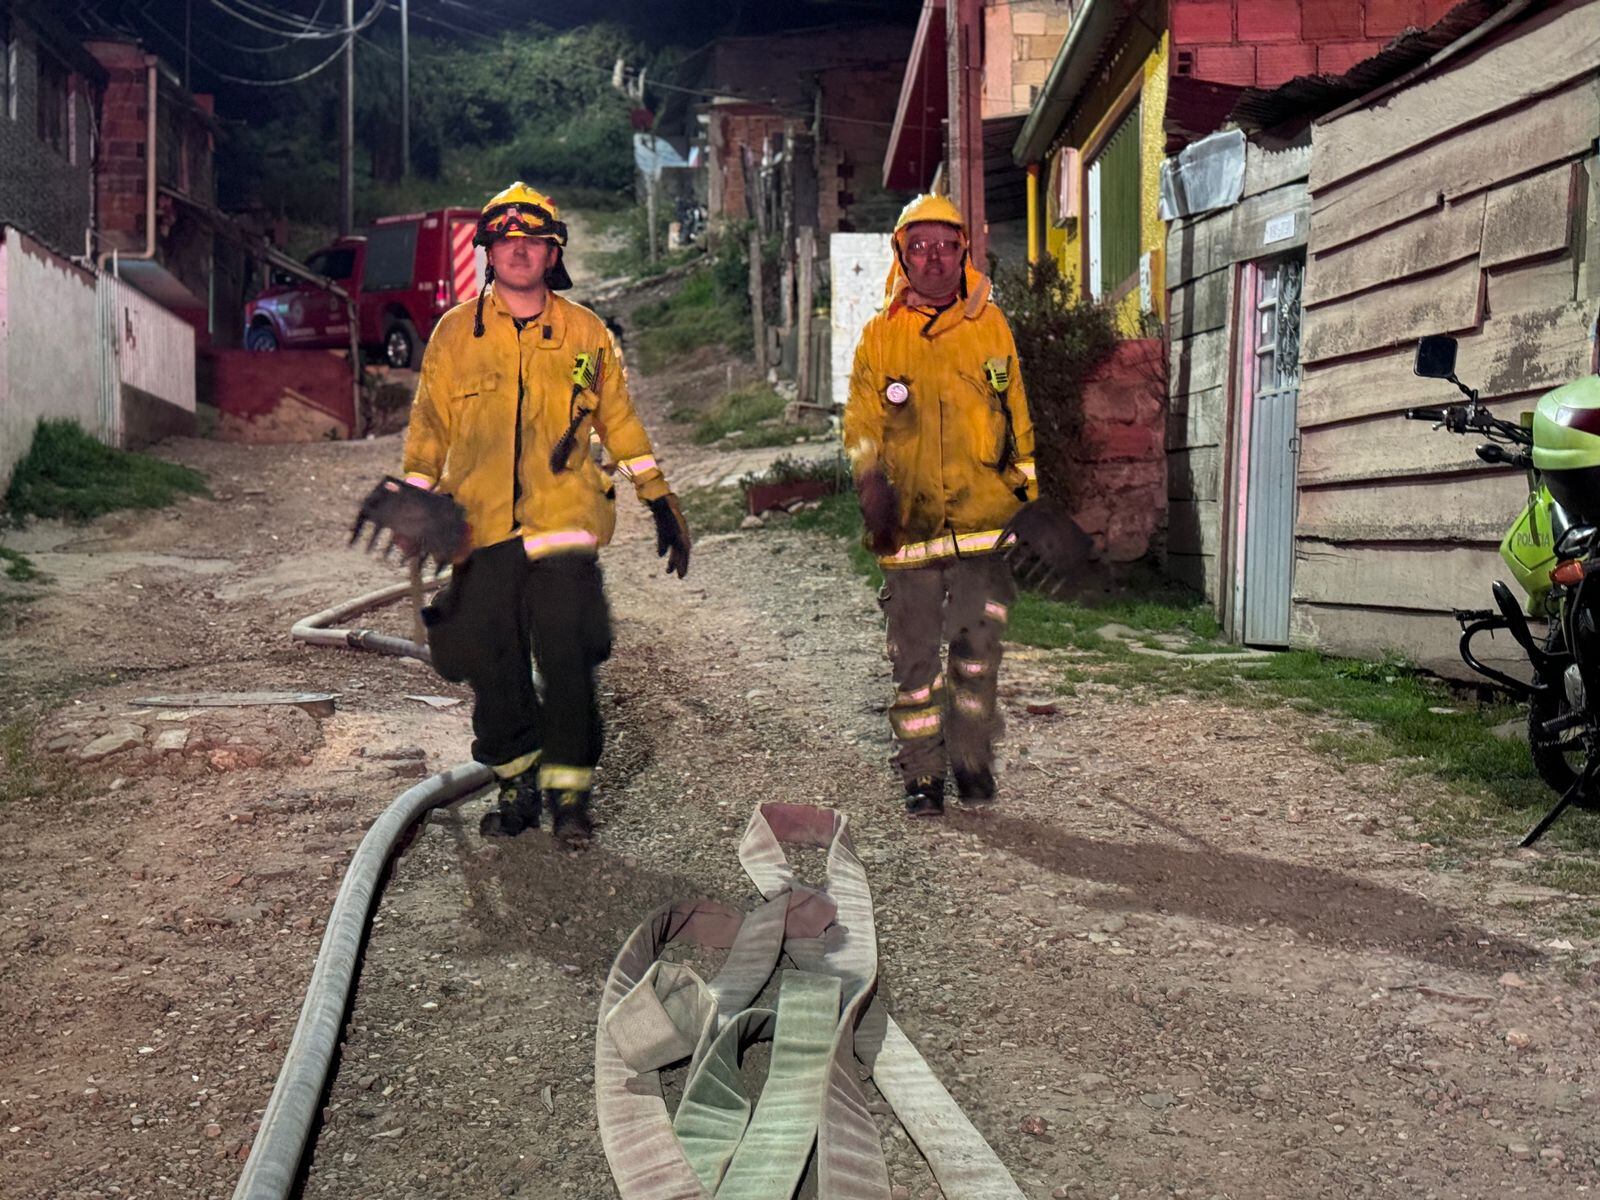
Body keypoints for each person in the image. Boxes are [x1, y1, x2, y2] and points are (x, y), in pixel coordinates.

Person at [399, 182, 692, 845]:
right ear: (488, 252)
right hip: (481, 528)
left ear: (553, 253)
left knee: (567, 660)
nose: (520, 252)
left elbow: (620, 423)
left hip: (563, 523)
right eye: (507, 242)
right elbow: (428, 431)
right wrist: (415, 502)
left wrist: (658, 497)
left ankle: (570, 798)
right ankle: (516, 782)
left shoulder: (585, 332)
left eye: (534, 242)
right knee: (491, 660)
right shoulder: (455, 334)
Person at [843, 194, 1037, 818]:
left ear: (963, 253)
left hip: (983, 532)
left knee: (977, 662)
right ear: (902, 256)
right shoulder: (880, 335)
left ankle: (972, 760)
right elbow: (861, 424)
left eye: (945, 246)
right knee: (916, 667)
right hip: (909, 534)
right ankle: (922, 774)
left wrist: (1028, 505)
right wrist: (871, 483)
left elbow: (1017, 420)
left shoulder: (992, 326)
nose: (934, 258)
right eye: (920, 246)